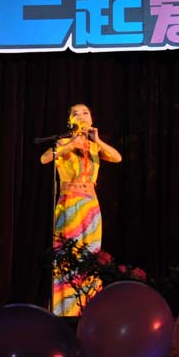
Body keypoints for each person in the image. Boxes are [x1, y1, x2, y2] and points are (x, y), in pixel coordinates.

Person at [40, 103, 122, 316]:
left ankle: (88, 309)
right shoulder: (63, 142)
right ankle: (64, 310)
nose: (81, 116)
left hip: (90, 206)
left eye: (85, 113)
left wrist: (98, 140)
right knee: (68, 254)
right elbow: (45, 158)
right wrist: (71, 144)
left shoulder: (95, 147)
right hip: (69, 203)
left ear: (91, 120)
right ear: (70, 121)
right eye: (76, 113)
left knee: (89, 255)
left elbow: (117, 157)